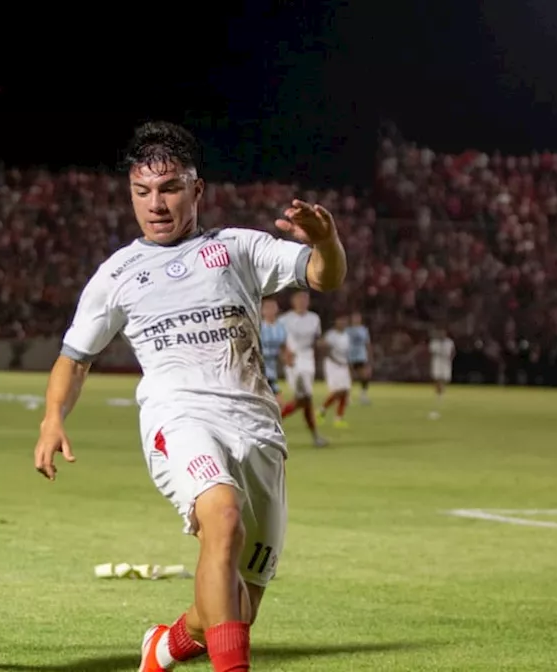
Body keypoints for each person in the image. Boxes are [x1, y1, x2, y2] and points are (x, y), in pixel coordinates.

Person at [32, 121, 345, 672]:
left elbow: (324, 277)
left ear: (196, 190)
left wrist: (325, 240)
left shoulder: (238, 248)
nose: (155, 204)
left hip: (256, 429)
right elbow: (74, 357)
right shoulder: (118, 274)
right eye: (142, 192)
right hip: (178, 418)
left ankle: (165, 645)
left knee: (234, 607)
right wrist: (52, 418)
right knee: (222, 518)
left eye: (170, 188)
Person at [278, 291, 328, 447]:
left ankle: (273, 423)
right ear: (293, 301)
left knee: (304, 399)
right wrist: (284, 356)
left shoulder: (314, 319)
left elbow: (316, 340)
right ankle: (315, 436)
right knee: (305, 398)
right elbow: (279, 341)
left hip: (308, 359)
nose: (302, 301)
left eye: (305, 299)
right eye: (299, 298)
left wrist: (321, 348)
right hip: (293, 359)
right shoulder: (284, 320)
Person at [318, 315, 352, 428]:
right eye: (340, 320)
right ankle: (321, 410)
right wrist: (335, 360)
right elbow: (324, 349)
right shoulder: (331, 335)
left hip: (343, 364)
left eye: (344, 321)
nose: (342, 323)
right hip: (332, 365)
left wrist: (347, 363)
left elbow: (346, 352)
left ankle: (339, 418)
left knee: (345, 391)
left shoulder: (346, 335)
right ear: (336, 322)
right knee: (338, 391)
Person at [258, 297, 287, 405]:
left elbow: (283, 346)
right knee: (277, 401)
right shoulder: (258, 326)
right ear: (262, 310)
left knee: (273, 403)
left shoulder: (281, 327)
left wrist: (286, 358)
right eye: (267, 307)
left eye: (273, 307)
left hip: (272, 367)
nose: (270, 310)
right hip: (260, 368)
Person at [428, 327, 455, 419]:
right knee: (437, 379)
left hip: (445, 363)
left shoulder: (449, 342)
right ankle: (439, 394)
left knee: (445, 379)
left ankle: (441, 393)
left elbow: (452, 352)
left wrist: (450, 360)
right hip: (437, 363)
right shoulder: (434, 342)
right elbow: (432, 352)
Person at [346, 312, 372, 405]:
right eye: (354, 318)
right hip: (350, 356)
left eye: (358, 318)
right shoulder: (347, 330)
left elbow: (367, 343)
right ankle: (347, 397)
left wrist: (369, 357)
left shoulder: (364, 330)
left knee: (364, 376)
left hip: (361, 356)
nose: (356, 319)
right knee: (349, 378)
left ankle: (363, 395)